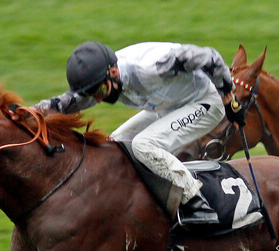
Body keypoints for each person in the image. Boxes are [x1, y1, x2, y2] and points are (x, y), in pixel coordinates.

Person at [35, 41, 246, 223]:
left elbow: (211, 57)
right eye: (91, 93)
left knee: (143, 145)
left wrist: (228, 96)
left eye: (99, 92)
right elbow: (69, 102)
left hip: (206, 102)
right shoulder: (105, 78)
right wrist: (32, 112)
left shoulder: (151, 67)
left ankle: (196, 201)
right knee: (115, 144)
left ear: (114, 73)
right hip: (170, 105)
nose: (97, 100)